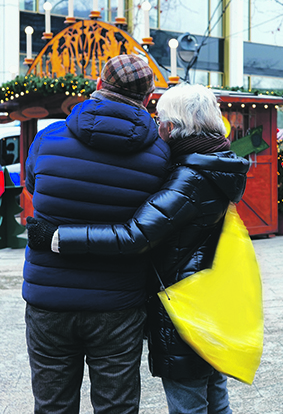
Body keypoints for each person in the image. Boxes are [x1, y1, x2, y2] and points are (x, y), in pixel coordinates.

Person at [27, 83, 250, 414]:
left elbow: (135, 236)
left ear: (172, 127)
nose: (156, 126)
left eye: (159, 119)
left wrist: (57, 236)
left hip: (183, 306)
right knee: (211, 397)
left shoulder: (187, 178)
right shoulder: (212, 162)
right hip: (203, 298)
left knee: (190, 403)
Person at [23, 54, 171, 413]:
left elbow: (31, 185)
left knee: (52, 406)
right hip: (117, 304)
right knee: (116, 406)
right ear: (148, 98)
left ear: (100, 86)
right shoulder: (160, 156)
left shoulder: (48, 138)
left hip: (49, 300)